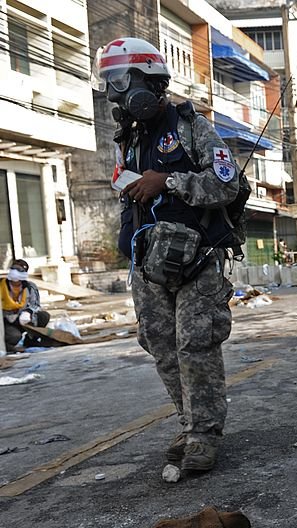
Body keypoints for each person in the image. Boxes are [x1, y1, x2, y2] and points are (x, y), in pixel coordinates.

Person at [94, 37, 239, 473]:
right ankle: (189, 421)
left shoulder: (191, 126)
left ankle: (204, 434)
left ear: (150, 80)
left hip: (195, 259)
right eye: (108, 84)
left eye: (121, 81)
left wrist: (169, 181)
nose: (116, 94)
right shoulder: (127, 138)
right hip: (148, 261)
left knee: (195, 343)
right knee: (160, 344)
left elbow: (226, 183)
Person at [2, 259, 50, 351]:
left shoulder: (30, 287)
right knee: (14, 336)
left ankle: (31, 340)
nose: (15, 272)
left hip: (24, 319)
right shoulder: (2, 286)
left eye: (19, 270)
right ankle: (7, 346)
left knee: (44, 316)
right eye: (13, 268)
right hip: (7, 320)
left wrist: (28, 311)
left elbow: (35, 304)